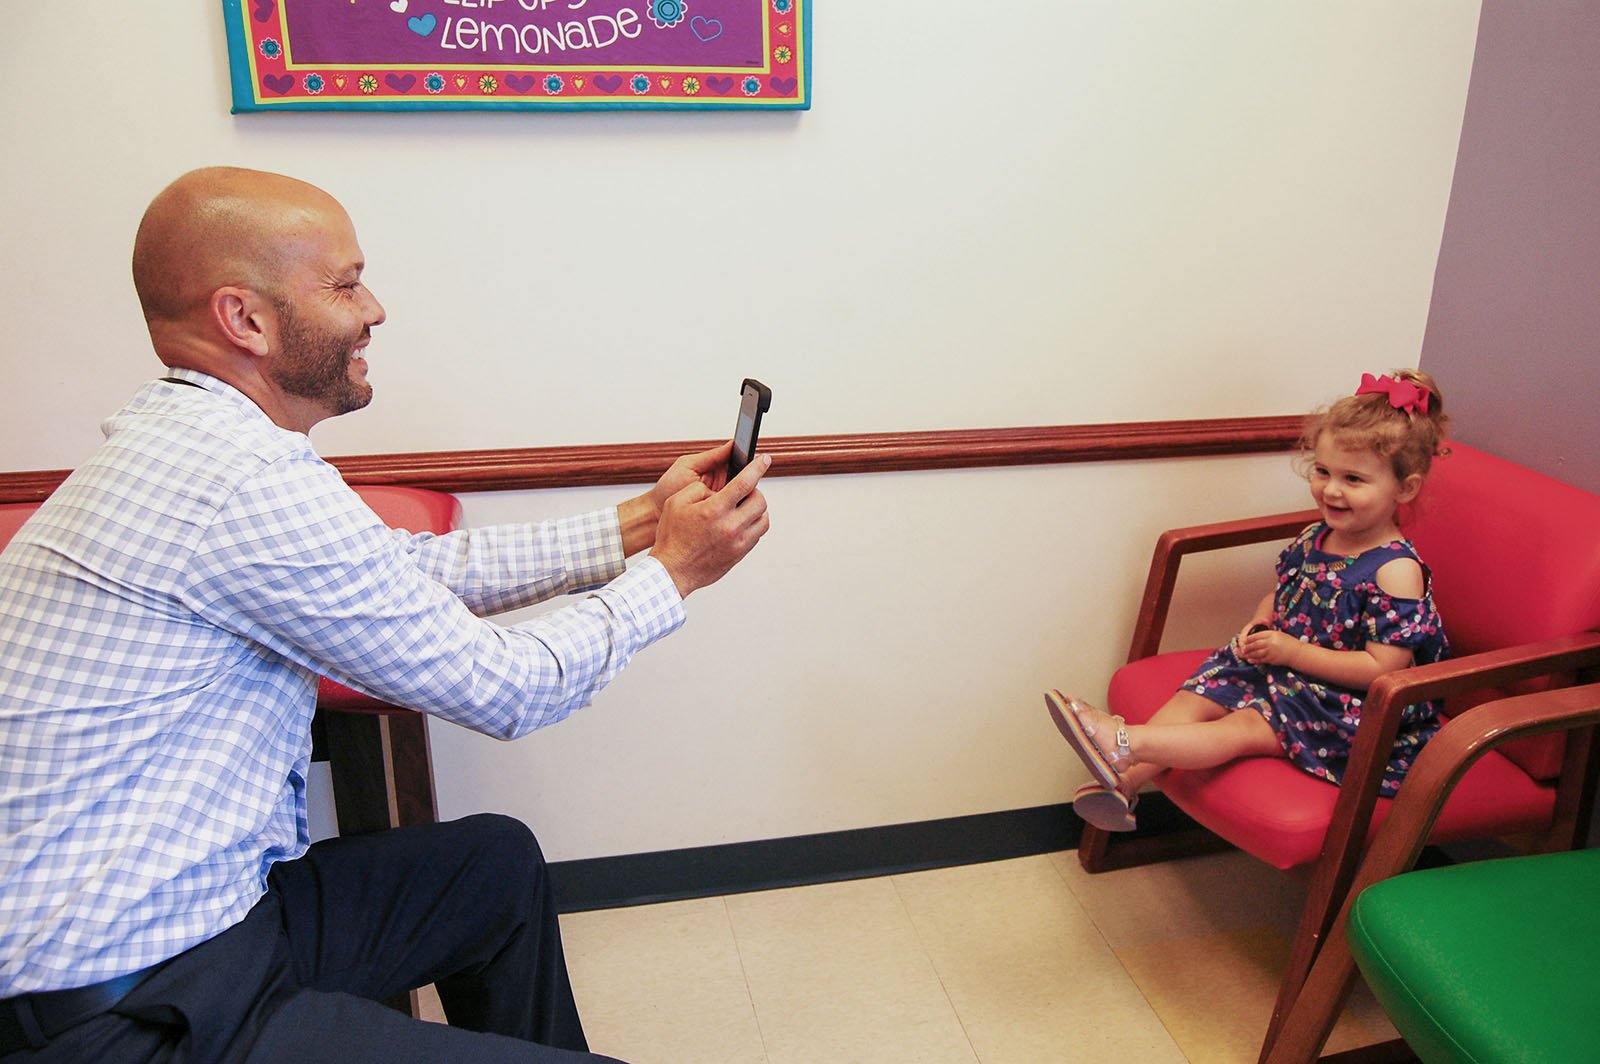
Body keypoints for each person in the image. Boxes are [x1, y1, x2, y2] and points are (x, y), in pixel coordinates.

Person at [0, 166, 772, 1063]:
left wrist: (638, 524)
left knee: (491, 867)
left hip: (201, 929)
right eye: (344, 283)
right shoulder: (239, 484)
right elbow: (509, 689)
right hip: (124, 1013)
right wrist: (674, 574)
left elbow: (405, 569)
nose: (375, 309)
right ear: (244, 319)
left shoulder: (194, 443)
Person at [1050, 370, 1451, 832]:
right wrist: (1262, 623)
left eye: (1354, 479)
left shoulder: (1395, 569)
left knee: (1242, 727)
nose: (1331, 489)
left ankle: (1121, 740)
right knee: (1197, 694)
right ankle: (1124, 783)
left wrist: (1294, 652)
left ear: (1406, 488)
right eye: (1322, 472)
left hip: (1346, 707)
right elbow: (1282, 595)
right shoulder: (1319, 536)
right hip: (1288, 669)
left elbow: (1386, 669)